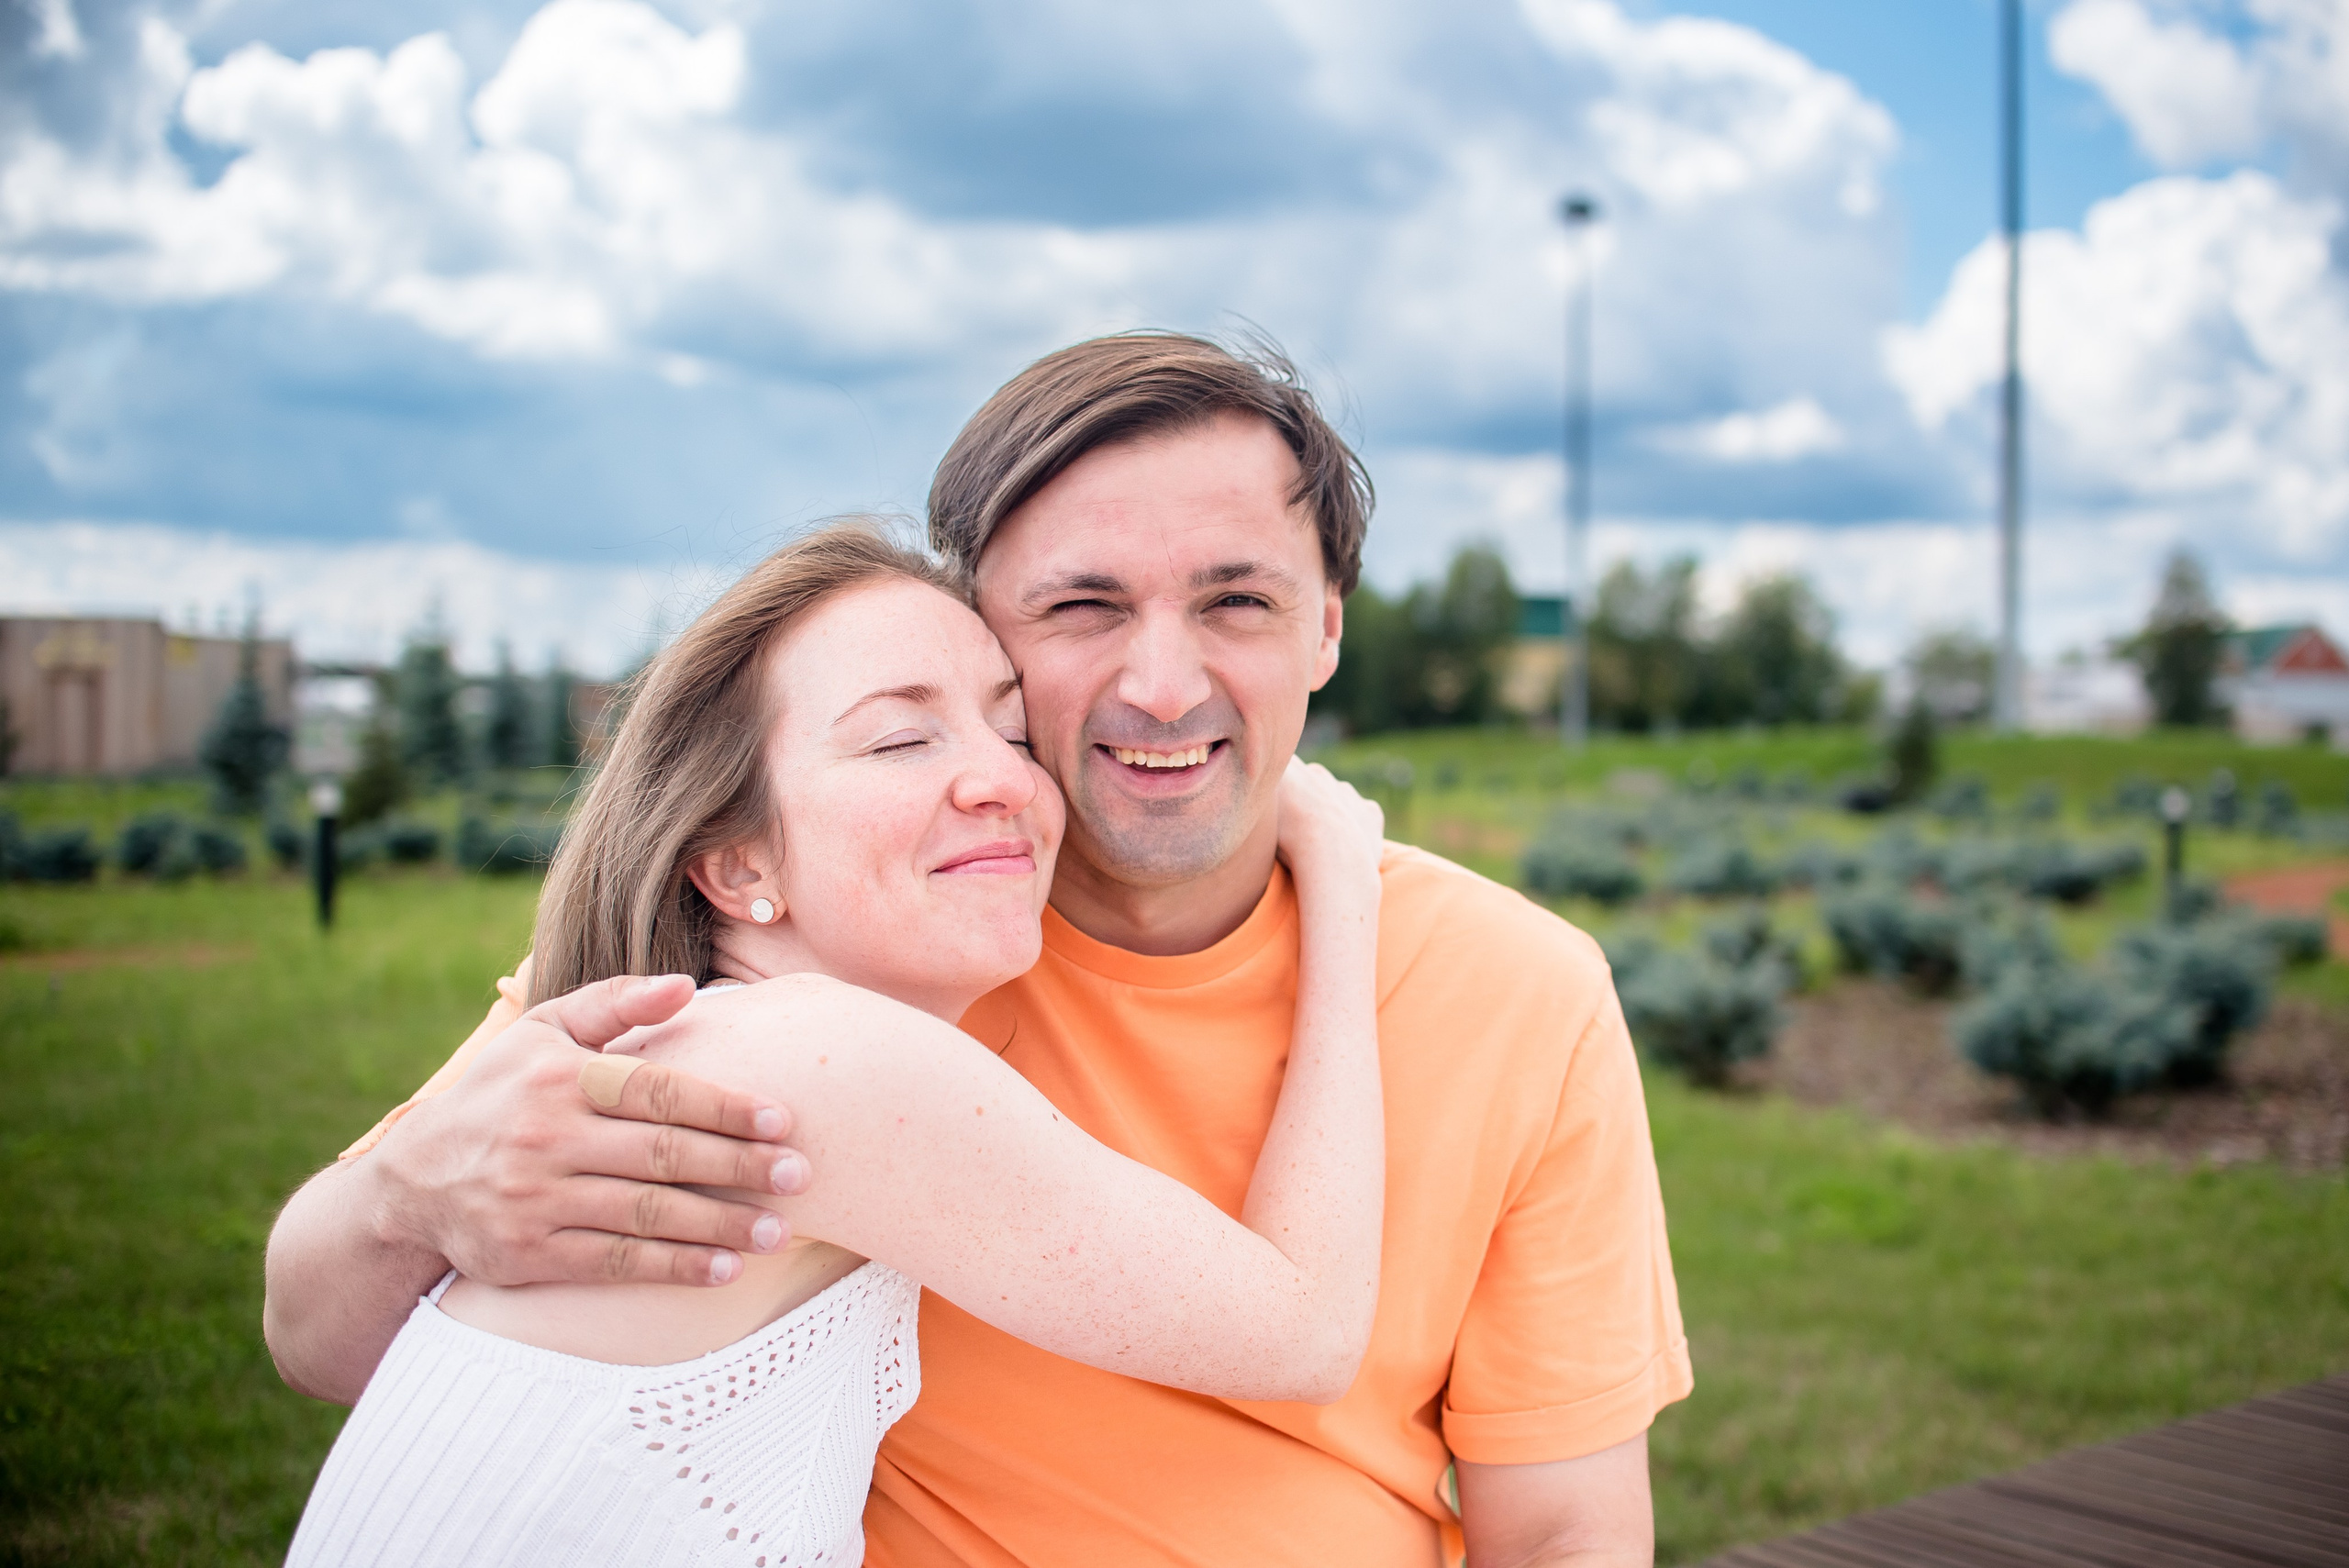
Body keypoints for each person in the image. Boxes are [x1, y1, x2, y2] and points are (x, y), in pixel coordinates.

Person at [267, 332, 1693, 1568]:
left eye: (1236, 600)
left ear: (1326, 626)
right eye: (1081, 607)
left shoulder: (1523, 989)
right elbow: (323, 1326)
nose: (1159, 682)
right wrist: (402, 1191)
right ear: (982, 625)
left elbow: (1565, 1528)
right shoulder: (827, 971)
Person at [283, 522, 1390, 1567]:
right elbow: (1305, 1333)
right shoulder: (817, 1062)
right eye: (900, 738)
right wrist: (1340, 880)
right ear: (739, 866)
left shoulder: (697, 1039)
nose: (1005, 777)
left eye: (1012, 732)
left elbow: (327, 1353)